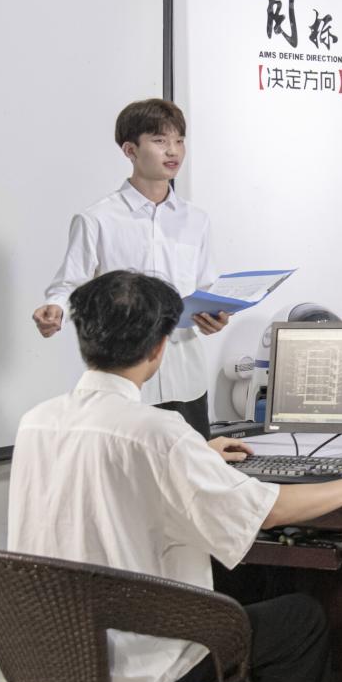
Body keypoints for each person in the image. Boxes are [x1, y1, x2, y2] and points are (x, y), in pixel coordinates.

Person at [9, 271, 342, 682]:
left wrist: (197, 456)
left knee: (240, 588)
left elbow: (98, 479)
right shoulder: (158, 433)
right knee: (301, 619)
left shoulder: (36, 422)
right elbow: (269, 511)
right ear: (159, 348)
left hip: (51, 657)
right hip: (138, 661)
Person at [32, 98, 225, 438]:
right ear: (130, 150)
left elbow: (205, 286)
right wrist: (54, 308)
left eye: (179, 140)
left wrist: (216, 316)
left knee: (194, 466)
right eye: (160, 140)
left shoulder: (196, 220)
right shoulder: (97, 219)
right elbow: (69, 283)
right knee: (128, 469)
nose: (173, 151)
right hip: (125, 378)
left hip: (186, 376)